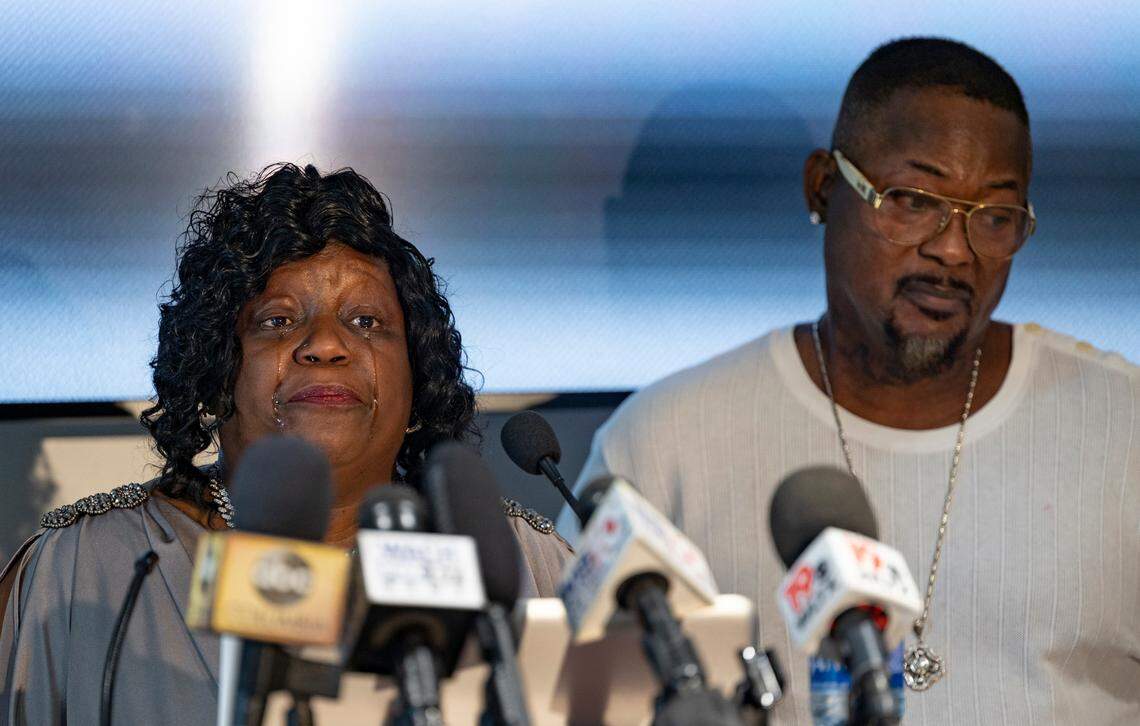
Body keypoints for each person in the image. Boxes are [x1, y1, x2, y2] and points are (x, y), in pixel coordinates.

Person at [557, 38, 1139, 723]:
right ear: (824, 188)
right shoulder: (665, 443)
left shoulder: (1123, 426)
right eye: (912, 200)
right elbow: (568, 699)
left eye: (993, 218)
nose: (953, 250)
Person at [0, 163, 571, 725]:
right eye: (277, 321)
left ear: (417, 373)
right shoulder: (86, 569)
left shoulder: (526, 564)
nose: (325, 345)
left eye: (366, 322)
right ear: (216, 369)